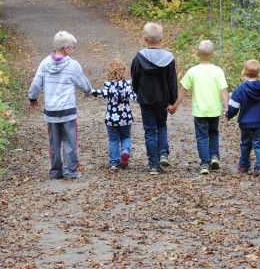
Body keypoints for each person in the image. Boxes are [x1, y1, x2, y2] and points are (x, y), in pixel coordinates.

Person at [28, 31, 93, 179]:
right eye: (73, 48)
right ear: (66, 48)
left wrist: (32, 98)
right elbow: (84, 84)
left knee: (54, 143)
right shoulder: (72, 65)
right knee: (70, 142)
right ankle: (70, 170)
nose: (74, 50)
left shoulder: (44, 63)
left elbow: (36, 84)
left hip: (51, 112)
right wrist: (88, 91)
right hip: (68, 112)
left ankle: (56, 171)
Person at [169, 40, 229, 175]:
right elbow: (224, 91)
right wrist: (227, 108)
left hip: (200, 111)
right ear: (213, 55)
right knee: (213, 133)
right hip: (214, 110)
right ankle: (214, 157)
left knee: (202, 136)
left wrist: (174, 106)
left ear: (197, 54)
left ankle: (204, 164)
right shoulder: (218, 71)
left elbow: (183, 90)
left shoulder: (193, 71)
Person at [131, 22, 178, 175]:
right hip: (162, 99)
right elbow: (172, 81)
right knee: (162, 126)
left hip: (146, 100)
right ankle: (163, 152)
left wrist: (138, 93)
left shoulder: (139, 58)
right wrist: (172, 100)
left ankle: (153, 164)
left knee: (150, 131)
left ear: (145, 39)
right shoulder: (169, 58)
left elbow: (135, 78)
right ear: (162, 38)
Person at [224, 59, 260, 178]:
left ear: (243, 72)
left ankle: (244, 165)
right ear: (259, 74)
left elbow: (233, 106)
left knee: (246, 144)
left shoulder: (240, 89)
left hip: (246, 122)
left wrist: (228, 115)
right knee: (259, 144)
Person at [88, 60, 138, 172]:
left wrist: (91, 91)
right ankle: (125, 152)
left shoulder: (108, 84)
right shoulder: (127, 84)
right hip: (125, 117)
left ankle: (114, 163)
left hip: (111, 117)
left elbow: (103, 94)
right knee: (126, 136)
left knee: (113, 139)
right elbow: (134, 97)